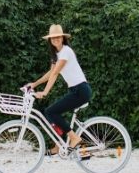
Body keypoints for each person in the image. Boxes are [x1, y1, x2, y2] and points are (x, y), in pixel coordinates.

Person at [26, 24, 92, 155]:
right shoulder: (57, 54)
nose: (55, 39)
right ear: (50, 40)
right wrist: (34, 84)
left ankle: (74, 138)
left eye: (58, 37)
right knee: (52, 113)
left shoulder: (66, 51)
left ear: (62, 38)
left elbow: (56, 73)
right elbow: (50, 73)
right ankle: (58, 144)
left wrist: (45, 92)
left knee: (51, 112)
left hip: (81, 90)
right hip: (75, 90)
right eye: (53, 38)